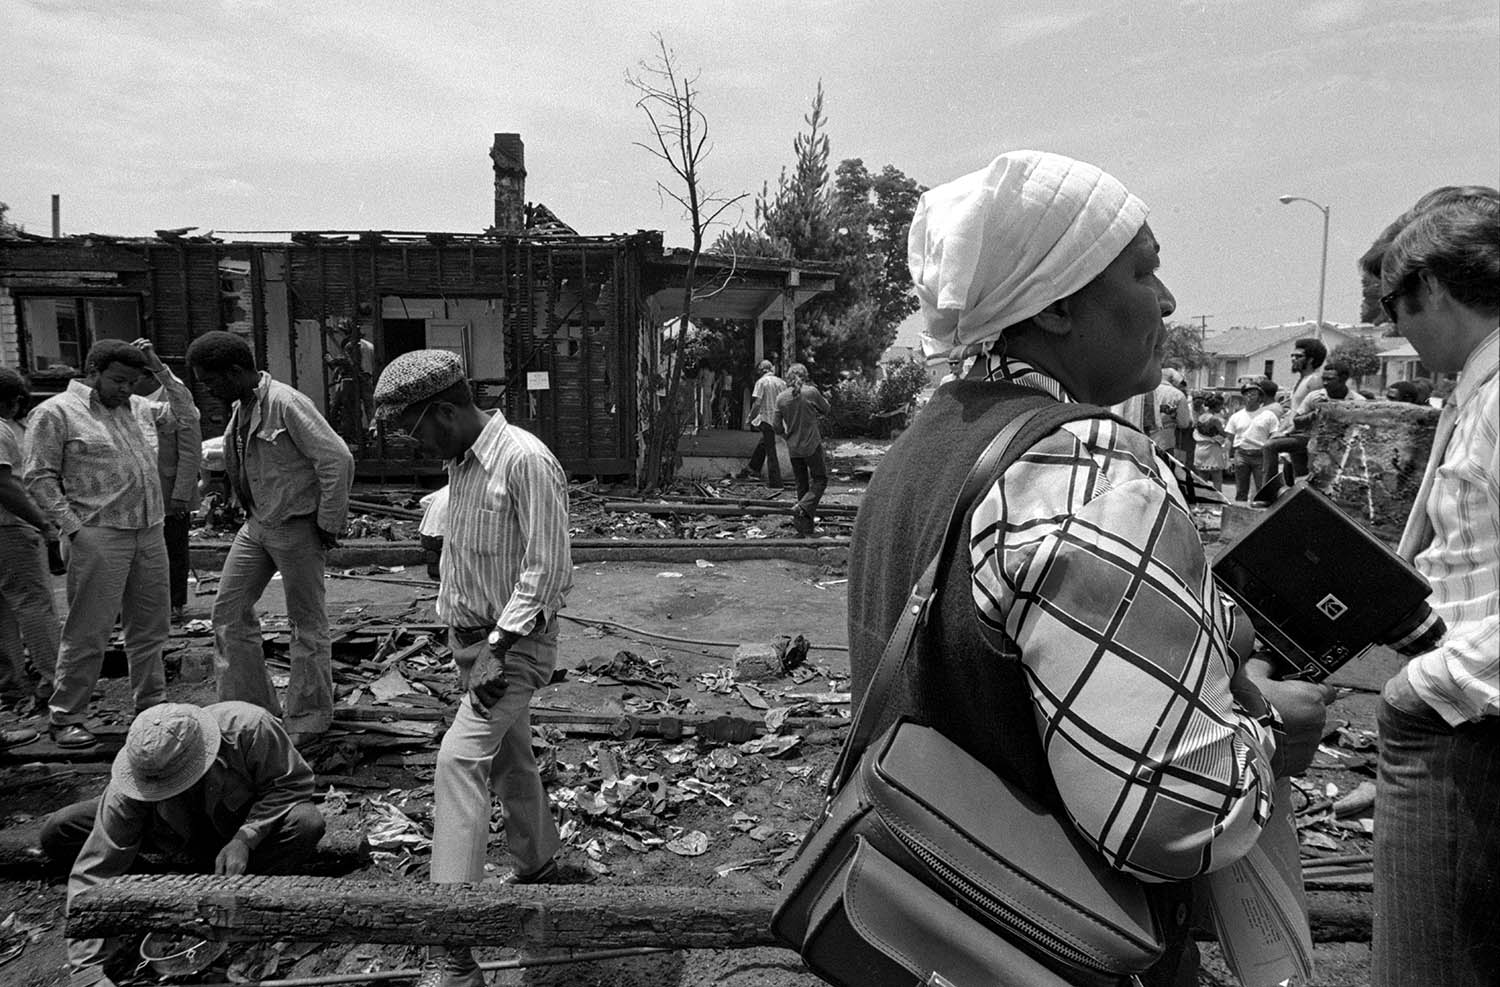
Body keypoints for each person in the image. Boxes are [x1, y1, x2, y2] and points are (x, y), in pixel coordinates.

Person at [858, 150, 1333, 986]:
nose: (1168, 298)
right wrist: (1268, 734)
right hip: (1055, 947)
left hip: (930, 925)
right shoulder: (1084, 464)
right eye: (1145, 270)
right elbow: (1166, 809)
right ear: (1062, 303)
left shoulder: (921, 448)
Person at [373, 350, 573, 987]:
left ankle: (453, 948)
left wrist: (496, 646)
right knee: (508, 753)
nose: (415, 443)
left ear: (447, 410)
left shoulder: (524, 460)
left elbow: (547, 572)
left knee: (459, 758)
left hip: (512, 649)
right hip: (474, 647)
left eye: (416, 429)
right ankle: (539, 863)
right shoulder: (460, 464)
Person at [1369, 196, 1499, 987]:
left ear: (1433, 288)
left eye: (1393, 306)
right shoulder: (1478, 388)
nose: (1398, 331)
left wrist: (1421, 692)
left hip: (1468, 724)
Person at [40, 702, 324, 987]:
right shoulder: (133, 781)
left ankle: (236, 890)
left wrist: (246, 838)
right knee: (62, 829)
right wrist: (88, 970)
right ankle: (162, 885)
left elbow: (292, 784)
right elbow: (94, 870)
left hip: (236, 827)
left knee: (305, 822)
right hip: (170, 837)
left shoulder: (251, 728)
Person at [186, 331, 354, 745]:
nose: (208, 390)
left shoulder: (286, 403)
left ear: (237, 371)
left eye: (212, 381)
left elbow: (336, 458)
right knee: (228, 613)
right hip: (258, 524)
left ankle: (309, 717)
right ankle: (249, 712)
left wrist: (329, 523)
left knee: (306, 624)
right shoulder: (243, 406)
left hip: (295, 526)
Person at [24, 339, 193, 749]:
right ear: (93, 371)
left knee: (151, 628)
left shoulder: (138, 407)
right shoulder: (56, 413)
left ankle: (152, 708)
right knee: (89, 630)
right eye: (118, 380)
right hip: (98, 532)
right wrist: (73, 529)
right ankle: (66, 716)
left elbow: (187, 415)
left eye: (133, 381)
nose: (125, 389)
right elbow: (38, 476)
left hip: (149, 530)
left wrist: (160, 371)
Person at [0, 367, 59, 715]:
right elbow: (6, 486)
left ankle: (10, 683)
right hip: (10, 527)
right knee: (34, 603)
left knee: (3, 608)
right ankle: (54, 681)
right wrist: (42, 522)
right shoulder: (2, 429)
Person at [133, 361, 201, 623]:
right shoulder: (126, 401)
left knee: (174, 548)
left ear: (147, 377)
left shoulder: (172, 400)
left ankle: (175, 603)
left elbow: (190, 449)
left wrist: (182, 492)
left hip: (170, 489)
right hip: (139, 492)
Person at [775, 363, 830, 538]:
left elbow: (776, 426)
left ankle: (804, 528)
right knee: (820, 479)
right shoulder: (811, 392)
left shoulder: (781, 398)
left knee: (802, 484)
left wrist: (786, 436)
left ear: (788, 377)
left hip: (794, 449)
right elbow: (826, 409)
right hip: (811, 445)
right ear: (805, 376)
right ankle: (803, 506)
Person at [1224, 378, 1280, 501]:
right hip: (1241, 455)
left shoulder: (1268, 416)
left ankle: (1259, 516)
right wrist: (1227, 460)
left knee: (1262, 489)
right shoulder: (1236, 417)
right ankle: (1239, 513)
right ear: (1243, 396)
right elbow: (1229, 439)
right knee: (1241, 490)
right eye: (1247, 393)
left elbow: (1274, 436)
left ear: (1260, 397)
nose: (1250, 396)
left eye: (1253, 393)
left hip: (1261, 456)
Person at [736, 359, 786, 489]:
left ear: (761, 371)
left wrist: (750, 417)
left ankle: (775, 482)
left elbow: (757, 403)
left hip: (767, 419)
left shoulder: (761, 382)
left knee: (771, 451)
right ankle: (753, 468)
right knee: (764, 444)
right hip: (779, 419)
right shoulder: (782, 383)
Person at [1149, 365, 1192, 458]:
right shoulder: (1178, 395)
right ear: (1173, 381)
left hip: (1142, 438)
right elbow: (1184, 424)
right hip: (1165, 441)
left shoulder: (1146, 390)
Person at [1192, 393, 1228, 491]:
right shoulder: (1215, 419)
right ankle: (1218, 501)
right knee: (1217, 478)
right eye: (1221, 405)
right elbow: (1224, 433)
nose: (1222, 407)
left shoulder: (1201, 416)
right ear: (1216, 406)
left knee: (1202, 479)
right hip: (1212, 449)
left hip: (1200, 448)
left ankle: (1202, 502)